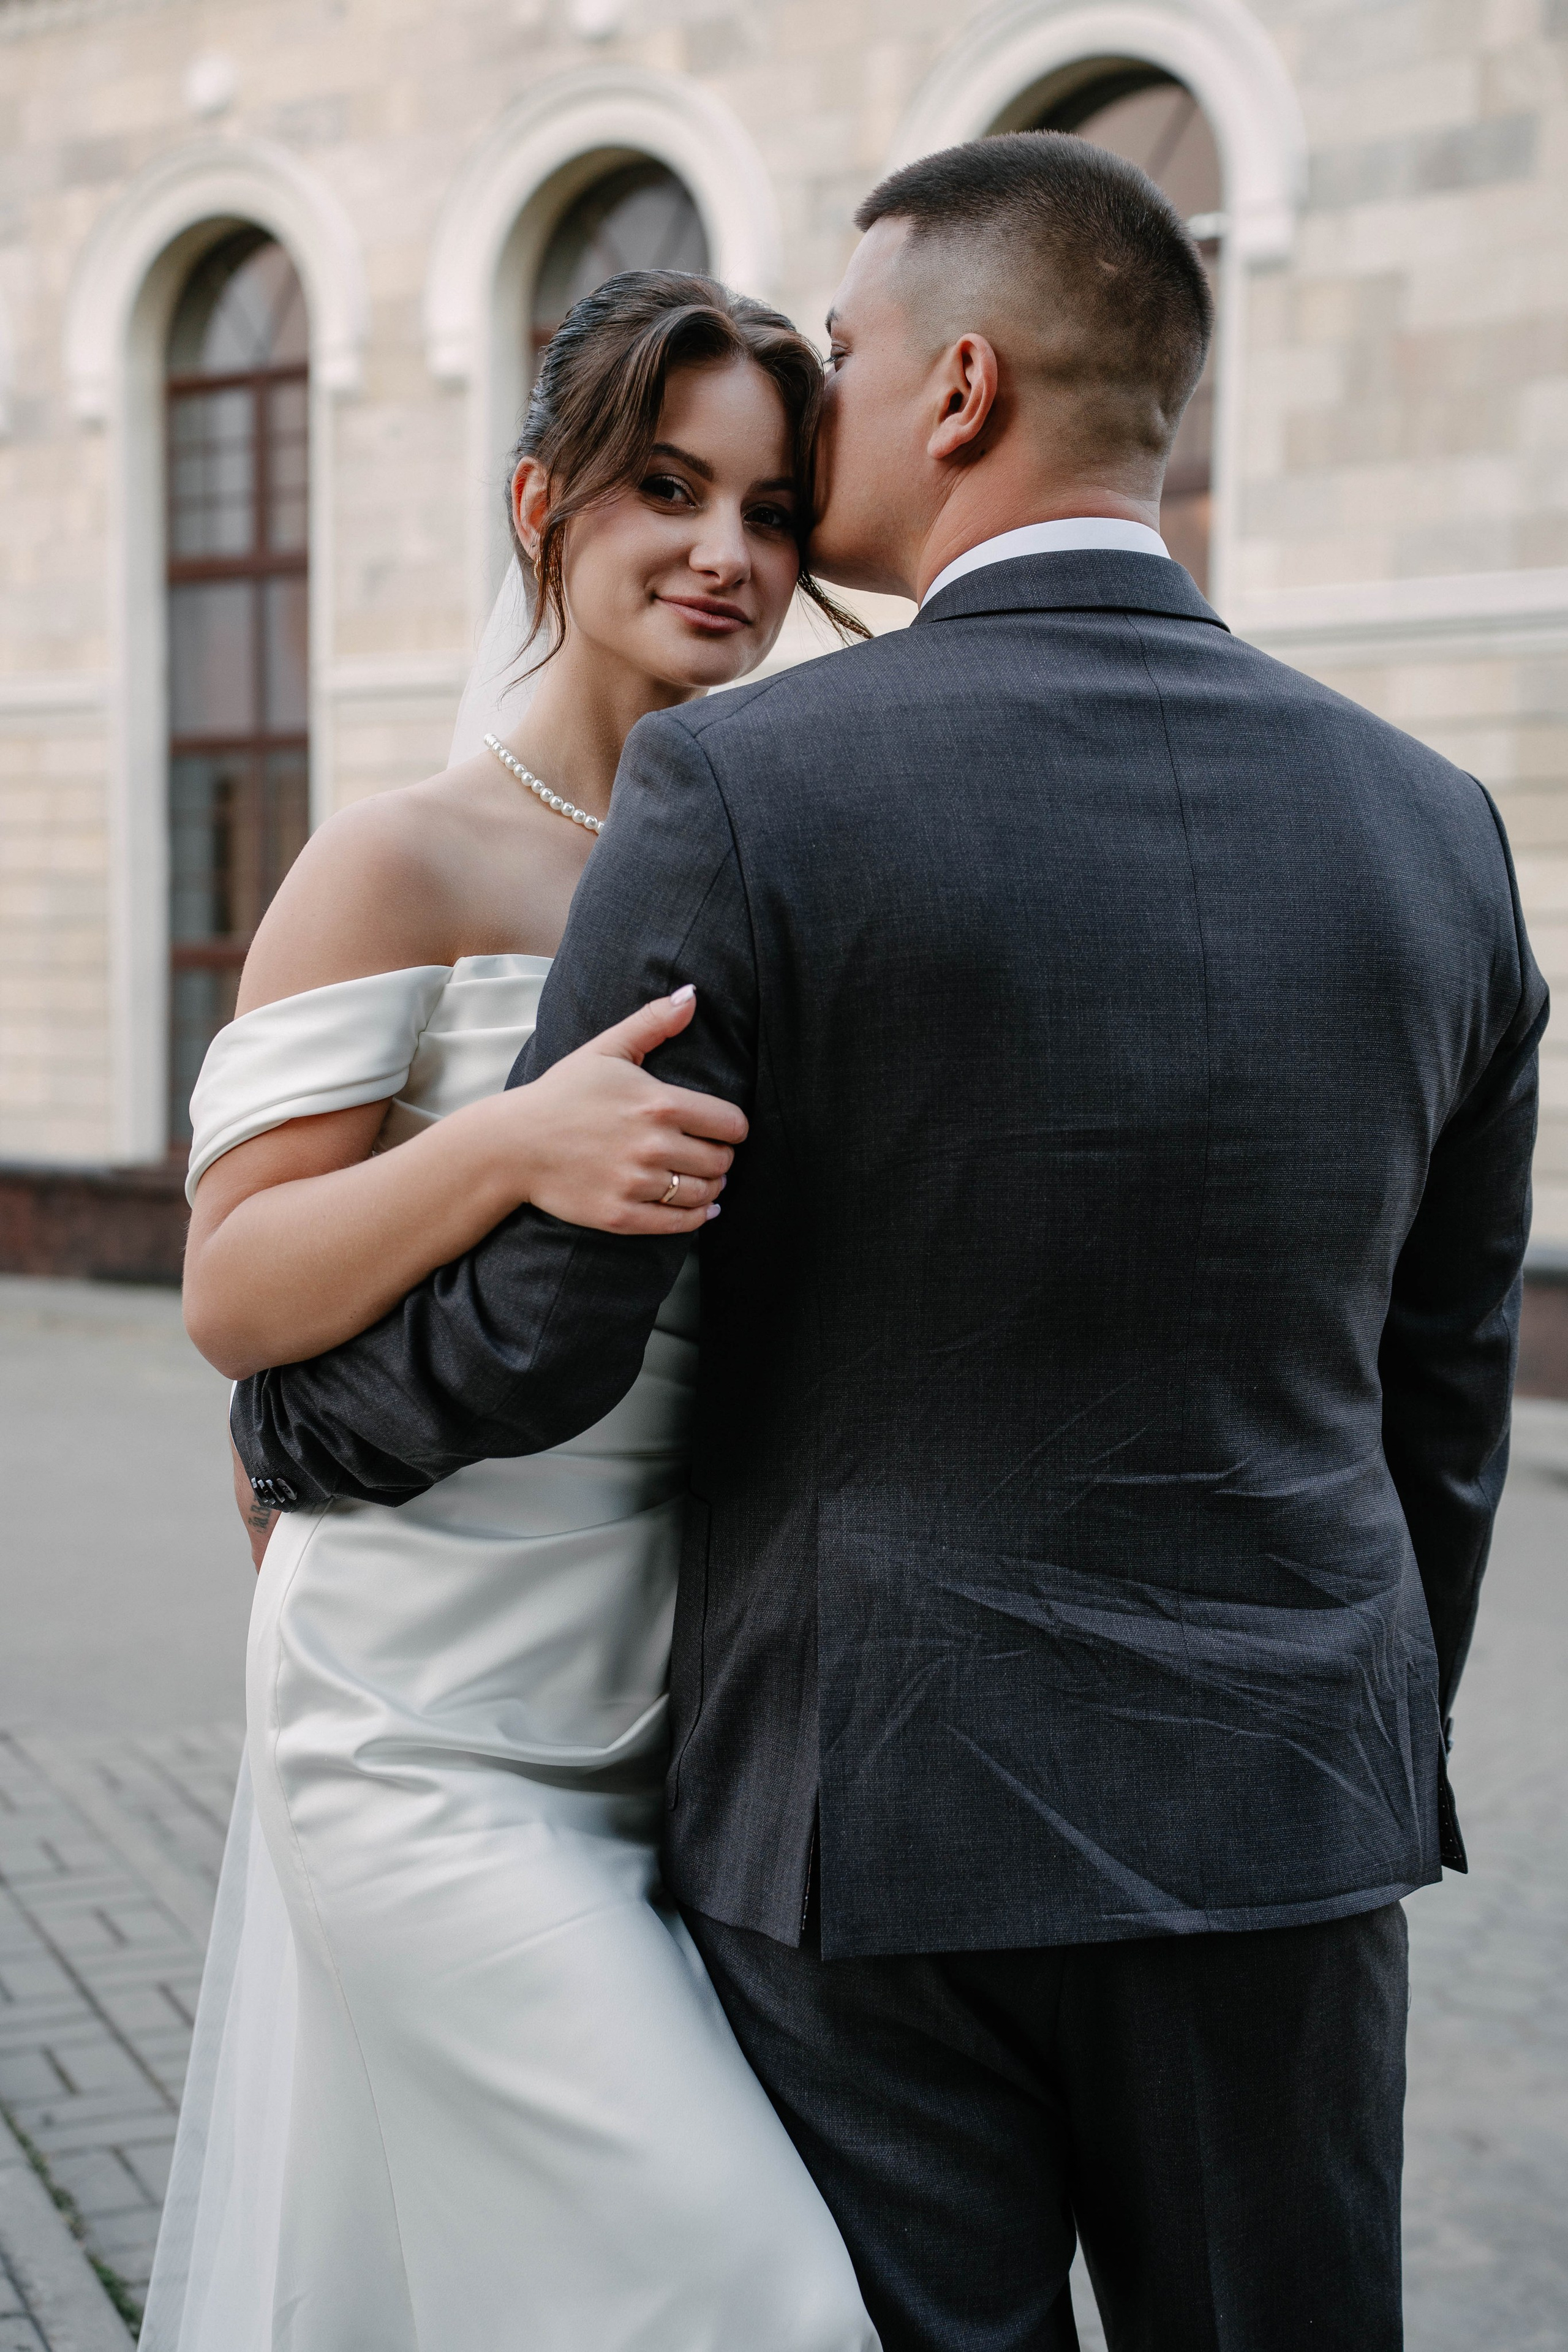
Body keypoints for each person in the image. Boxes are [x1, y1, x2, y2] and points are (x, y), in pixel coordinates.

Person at [233, 133, 1546, 2351]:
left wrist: (302, 1425)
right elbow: (1451, 1385)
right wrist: (1347, 1730)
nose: (810, 413)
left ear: (952, 392)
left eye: (836, 354)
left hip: (869, 1817)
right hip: (1284, 1819)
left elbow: (556, 1330)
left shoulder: (750, 792)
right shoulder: (1440, 828)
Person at [141, 276, 878, 2352]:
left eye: (770, 505)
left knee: (489, 2284)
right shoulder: (403, 859)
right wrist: (508, 1148)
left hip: (692, 1718)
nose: (726, 553)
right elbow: (234, 1288)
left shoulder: (787, 853)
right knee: (757, 2303)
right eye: (666, 488)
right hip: (422, 1721)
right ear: (544, 505)